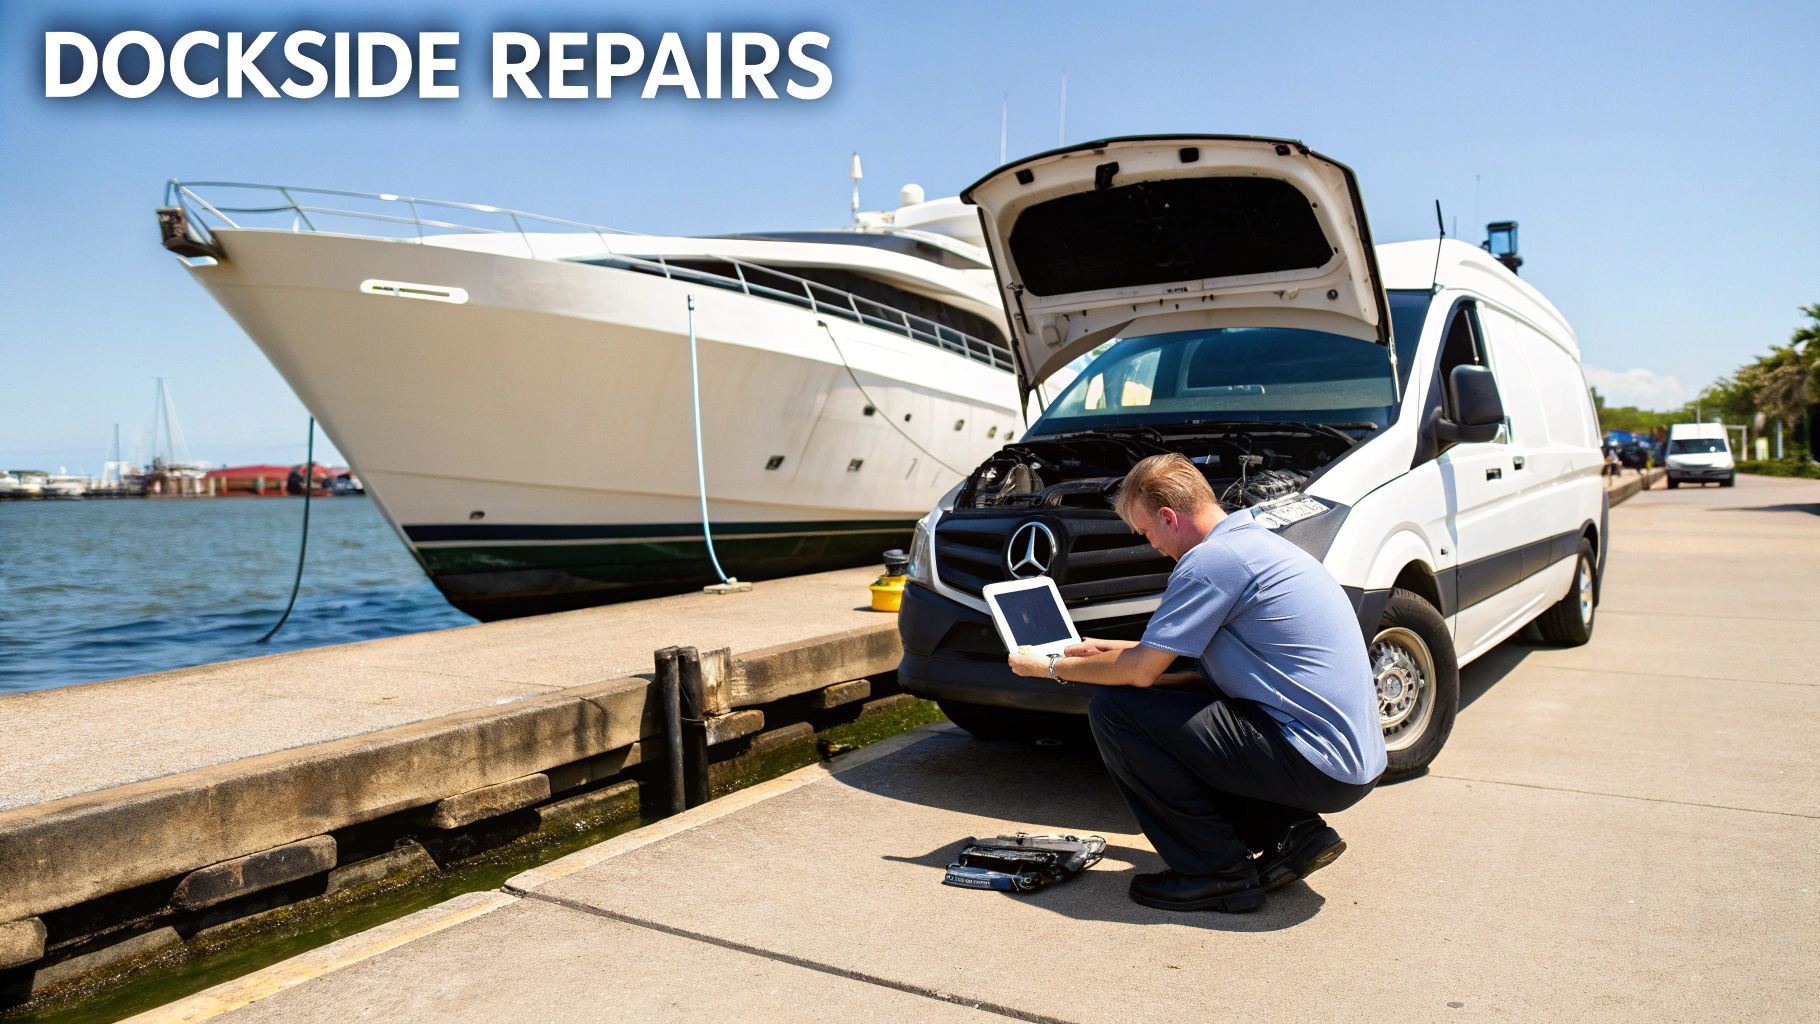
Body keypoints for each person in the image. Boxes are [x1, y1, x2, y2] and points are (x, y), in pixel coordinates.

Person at [1007, 453, 1385, 913]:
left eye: (1146, 532)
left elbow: (1142, 671)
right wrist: (1103, 648)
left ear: (1169, 517)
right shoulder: (1253, 542)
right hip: (1343, 756)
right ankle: (1293, 832)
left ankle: (1217, 874)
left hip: (1319, 762)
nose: (1151, 545)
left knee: (1117, 712)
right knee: (1183, 701)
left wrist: (1046, 667)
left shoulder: (1211, 562)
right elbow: (1185, 662)